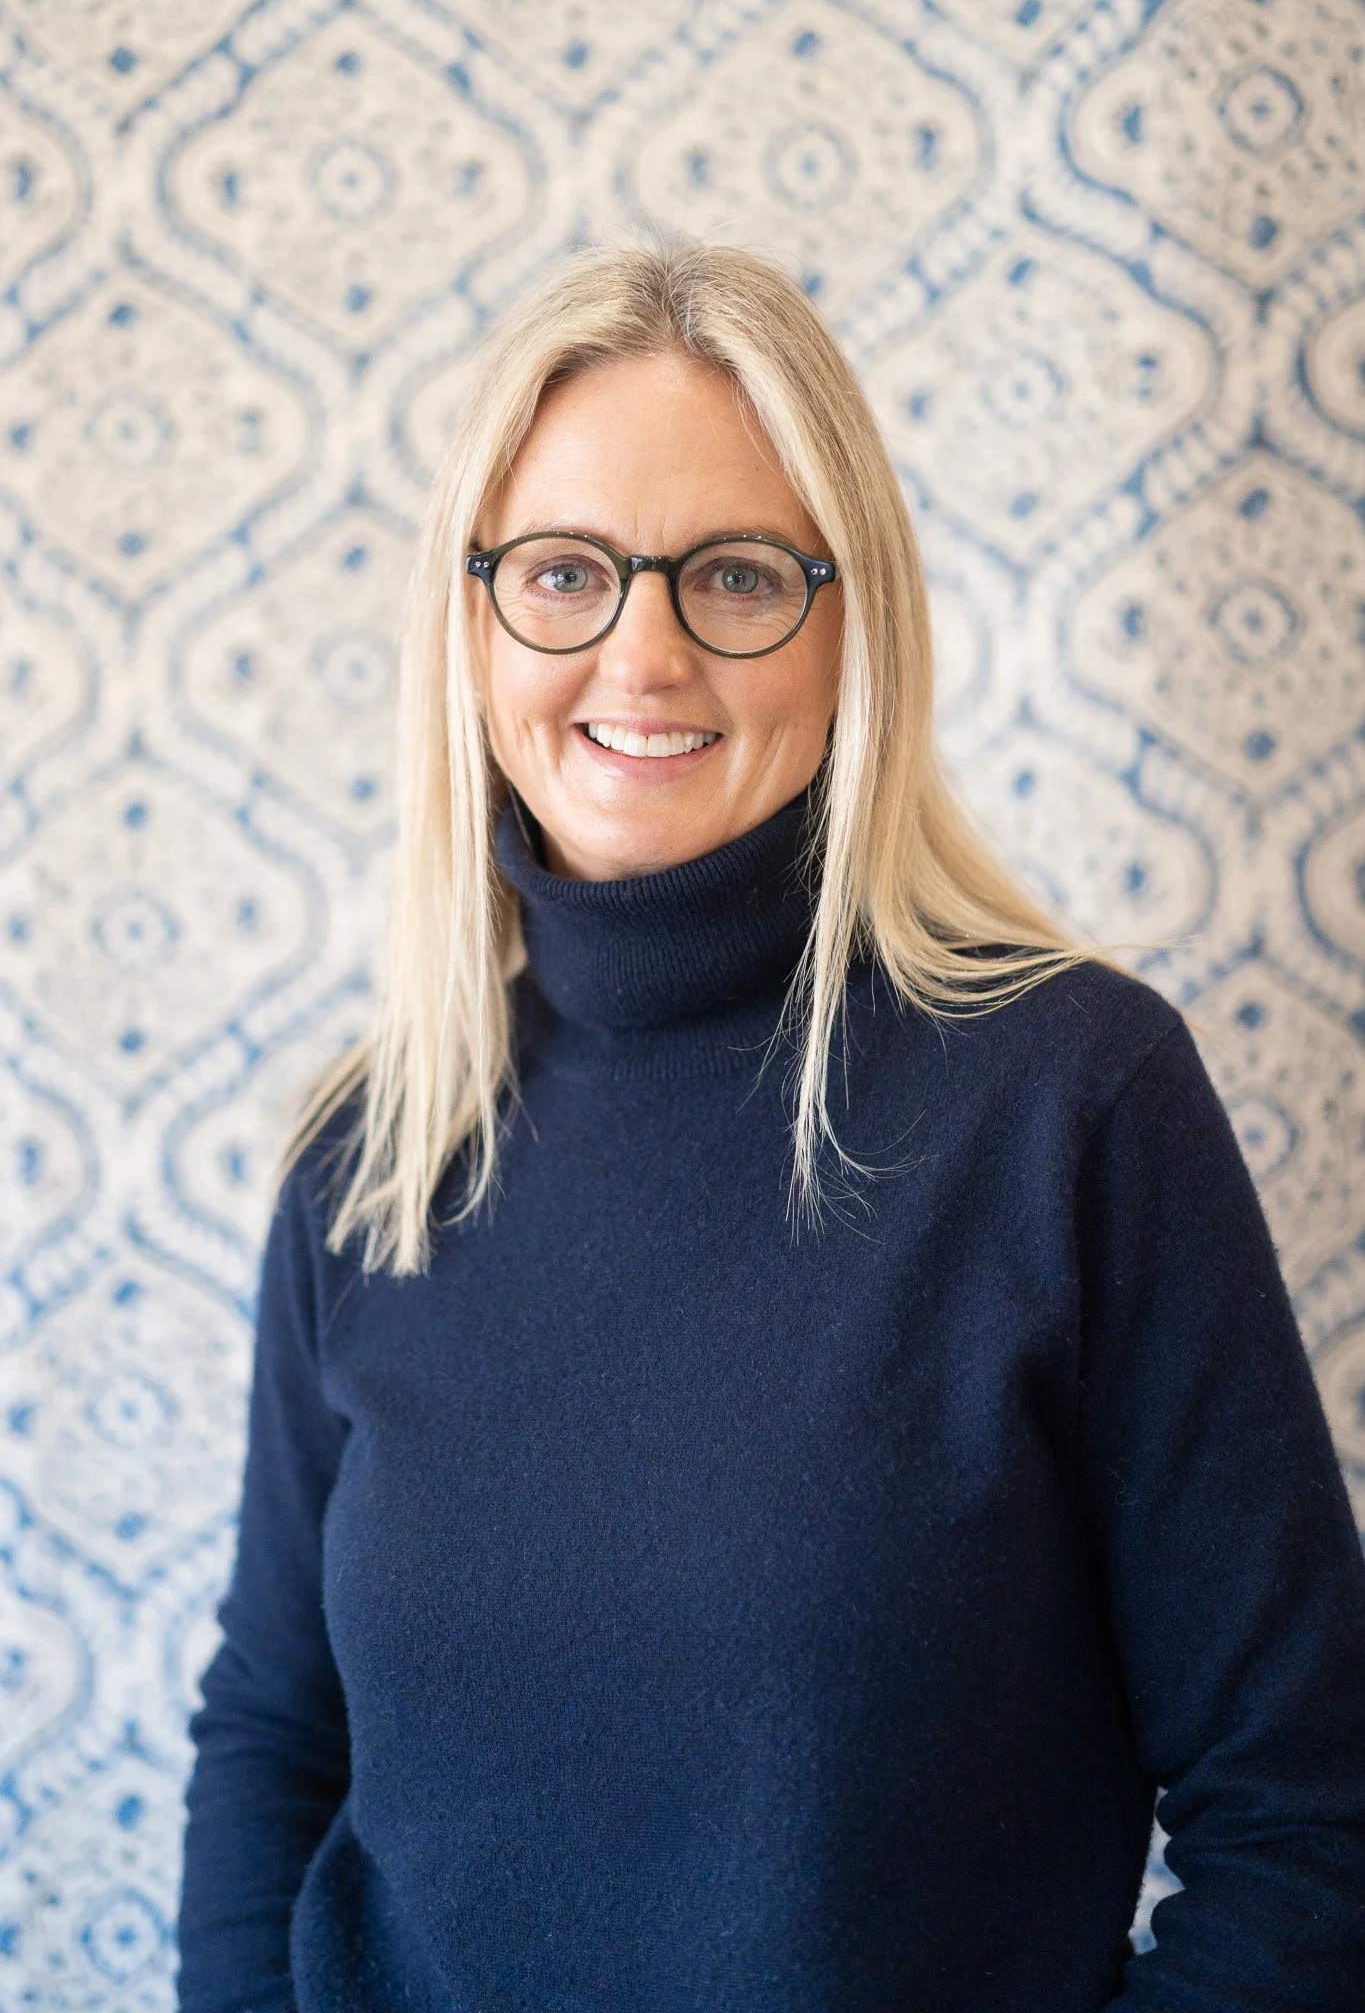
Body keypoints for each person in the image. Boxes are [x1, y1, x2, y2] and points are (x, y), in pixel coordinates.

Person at [177, 242, 1365, 2012]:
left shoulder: (1071, 1100)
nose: (640, 652)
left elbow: (1310, 1814)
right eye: (564, 571)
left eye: (734, 574)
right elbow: (274, 1741)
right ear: (474, 619)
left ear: (848, 618)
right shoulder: (374, 1155)